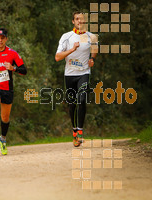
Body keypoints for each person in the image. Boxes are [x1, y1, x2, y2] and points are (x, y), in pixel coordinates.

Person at [55, 11, 98, 147]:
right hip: (70, 74)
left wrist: (92, 58)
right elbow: (57, 57)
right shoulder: (66, 37)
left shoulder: (91, 36)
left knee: (82, 98)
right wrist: (72, 50)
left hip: (84, 73)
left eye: (82, 19)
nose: (80, 21)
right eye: (77, 19)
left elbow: (95, 48)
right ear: (73, 21)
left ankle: (80, 130)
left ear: (85, 21)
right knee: (72, 104)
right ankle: (74, 131)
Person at [0, 28, 27, 155]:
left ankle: (3, 139)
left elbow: (24, 70)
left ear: (6, 39)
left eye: (2, 38)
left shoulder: (12, 53)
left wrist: (14, 68)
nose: (0, 40)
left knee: (5, 117)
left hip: (7, 88)